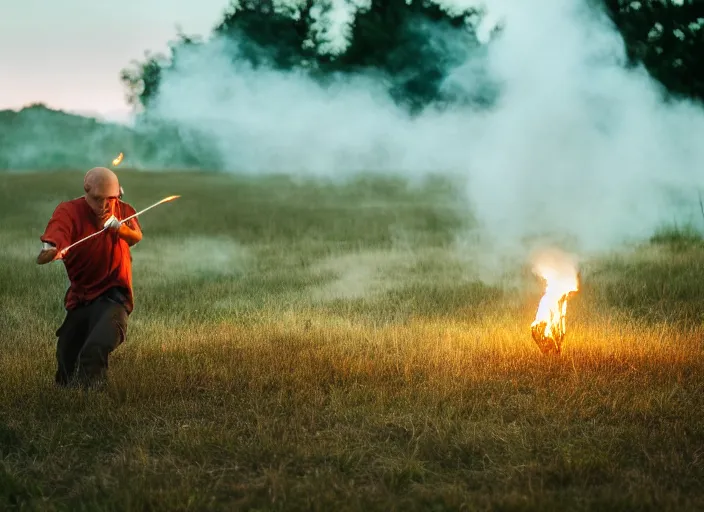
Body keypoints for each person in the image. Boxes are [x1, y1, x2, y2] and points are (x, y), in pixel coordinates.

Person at [36, 167, 143, 388]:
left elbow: (136, 236)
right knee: (67, 359)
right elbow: (58, 232)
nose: (103, 206)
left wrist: (119, 229)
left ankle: (93, 399)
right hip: (82, 296)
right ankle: (69, 394)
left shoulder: (122, 210)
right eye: (97, 199)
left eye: (109, 199)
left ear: (117, 195)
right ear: (86, 190)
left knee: (95, 348)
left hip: (114, 295)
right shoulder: (69, 211)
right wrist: (53, 248)